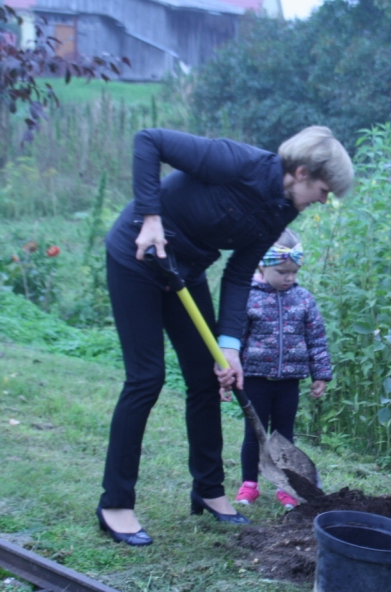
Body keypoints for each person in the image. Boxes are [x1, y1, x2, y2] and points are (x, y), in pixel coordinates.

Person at [97, 127, 353, 546]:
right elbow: (148, 141)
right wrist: (151, 216)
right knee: (147, 378)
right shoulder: (236, 162)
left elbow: (238, 272)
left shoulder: (284, 207)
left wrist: (229, 347)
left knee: (206, 379)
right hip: (139, 254)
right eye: (323, 190)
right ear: (301, 172)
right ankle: (116, 502)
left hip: (184, 272)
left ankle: (209, 489)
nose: (323, 201)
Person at [233, 229, 331, 511]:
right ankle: (249, 483)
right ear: (262, 267)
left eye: (294, 272)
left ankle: (285, 486)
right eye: (282, 272)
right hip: (254, 379)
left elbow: (316, 339)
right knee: (255, 432)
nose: (289, 278)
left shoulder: (303, 299)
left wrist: (320, 374)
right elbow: (236, 339)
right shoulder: (248, 297)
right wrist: (230, 377)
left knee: (284, 433)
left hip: (289, 381)